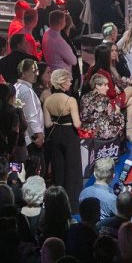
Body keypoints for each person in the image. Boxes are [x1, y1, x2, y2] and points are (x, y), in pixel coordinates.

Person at [44, 69, 83, 209]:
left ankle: (59, 203)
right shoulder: (71, 100)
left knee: (58, 168)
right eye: (69, 81)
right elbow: (77, 124)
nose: (71, 83)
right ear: (62, 82)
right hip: (69, 135)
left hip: (55, 136)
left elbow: (47, 124)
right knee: (72, 168)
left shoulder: (47, 100)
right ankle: (73, 204)